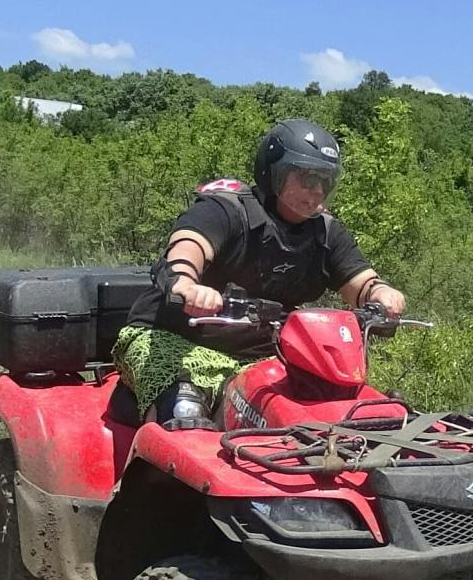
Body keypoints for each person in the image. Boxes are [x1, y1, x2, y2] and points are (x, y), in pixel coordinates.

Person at [115, 118, 407, 428]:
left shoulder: (326, 233)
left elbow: (360, 281)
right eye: (307, 178)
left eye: (325, 180)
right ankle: (147, 472)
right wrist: (185, 283)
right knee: (182, 410)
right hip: (174, 339)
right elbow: (188, 244)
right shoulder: (228, 209)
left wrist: (382, 294)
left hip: (265, 355)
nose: (317, 190)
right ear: (274, 172)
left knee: (340, 408)